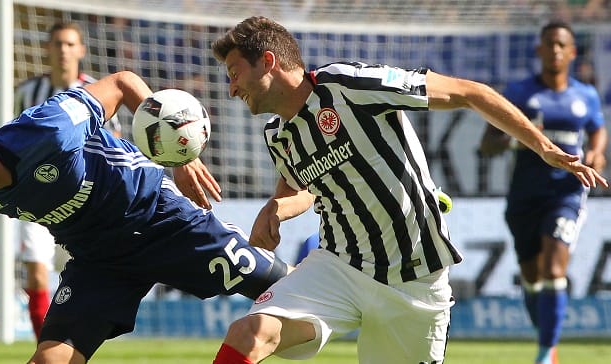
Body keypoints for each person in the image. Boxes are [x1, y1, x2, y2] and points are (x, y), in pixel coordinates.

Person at [208, 16, 606, 364]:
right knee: (249, 333)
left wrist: (545, 147)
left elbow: (470, 93)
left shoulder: (349, 85)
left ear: (268, 61)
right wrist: (275, 209)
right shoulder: (278, 135)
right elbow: (306, 188)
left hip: (415, 280)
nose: (231, 88)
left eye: (234, 72)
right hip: (338, 266)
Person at [0, 70, 290, 364]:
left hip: (162, 219)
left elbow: (123, 83)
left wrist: (176, 154)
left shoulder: (48, 130)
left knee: (288, 291)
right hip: (98, 261)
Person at [479, 20, 607, 364]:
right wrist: (507, 137)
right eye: (548, 44)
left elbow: (598, 130)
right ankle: (546, 334)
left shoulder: (586, 95)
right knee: (533, 277)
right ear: (538, 50)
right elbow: (487, 145)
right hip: (524, 197)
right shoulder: (520, 94)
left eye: (561, 45)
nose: (554, 50)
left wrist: (597, 152)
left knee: (553, 268)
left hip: (566, 194)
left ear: (571, 52)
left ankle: (546, 353)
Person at [12, 21, 124, 341]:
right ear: (48, 49)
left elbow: (113, 145)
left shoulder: (97, 92)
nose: (63, 50)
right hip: (36, 197)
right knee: (36, 271)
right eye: (58, 44)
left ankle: (74, 342)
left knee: (82, 277)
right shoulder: (27, 93)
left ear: (81, 51)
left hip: (83, 200)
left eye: (70, 44)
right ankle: (44, 349)